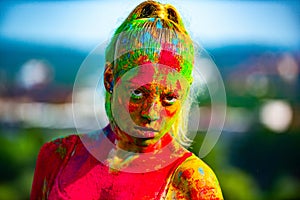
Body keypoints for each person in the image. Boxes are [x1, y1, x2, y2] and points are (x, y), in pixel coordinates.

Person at [31, 1, 223, 199]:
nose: (150, 113)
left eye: (169, 98)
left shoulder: (193, 183)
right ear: (109, 79)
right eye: (138, 93)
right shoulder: (57, 157)